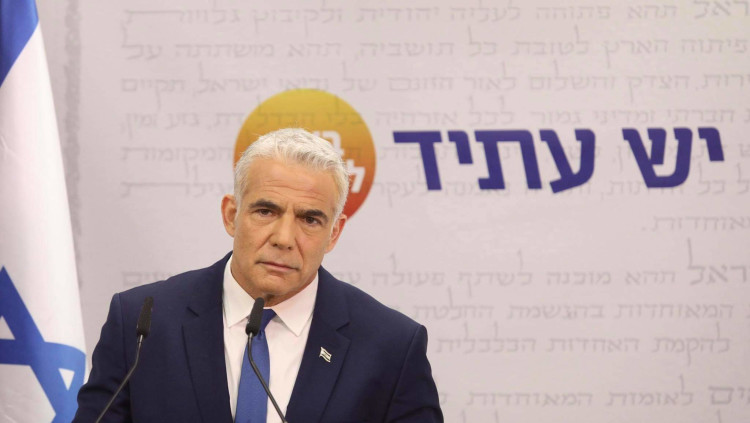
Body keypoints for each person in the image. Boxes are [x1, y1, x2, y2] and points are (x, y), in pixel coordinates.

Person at [73, 128, 443, 422]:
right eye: (266, 211)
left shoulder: (391, 347)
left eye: (309, 219)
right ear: (231, 215)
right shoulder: (142, 322)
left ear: (334, 233)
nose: (284, 238)